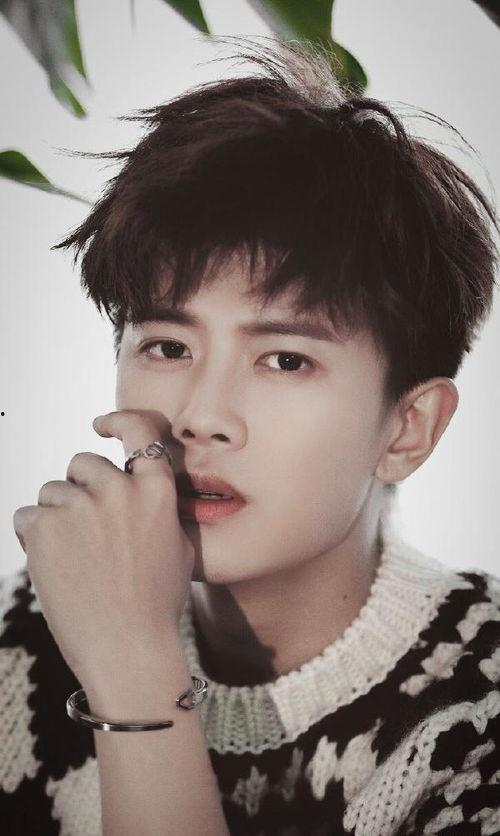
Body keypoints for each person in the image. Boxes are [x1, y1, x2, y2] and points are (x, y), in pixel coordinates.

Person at [2, 35, 500, 836]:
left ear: (408, 428)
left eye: (285, 360)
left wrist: (134, 673)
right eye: (168, 347)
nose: (201, 415)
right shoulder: (40, 622)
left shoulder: (476, 718)